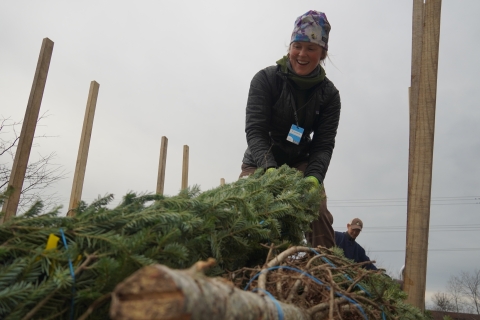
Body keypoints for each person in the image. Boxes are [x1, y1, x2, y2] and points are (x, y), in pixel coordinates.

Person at [239, 10, 341, 248]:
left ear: (322, 53)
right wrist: (269, 168)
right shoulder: (265, 80)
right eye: (297, 46)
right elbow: (255, 130)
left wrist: (314, 179)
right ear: (290, 47)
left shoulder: (329, 95)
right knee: (248, 209)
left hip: (300, 163)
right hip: (260, 161)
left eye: (311, 48)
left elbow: (323, 144)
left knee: (318, 212)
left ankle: (324, 269)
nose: (302, 54)